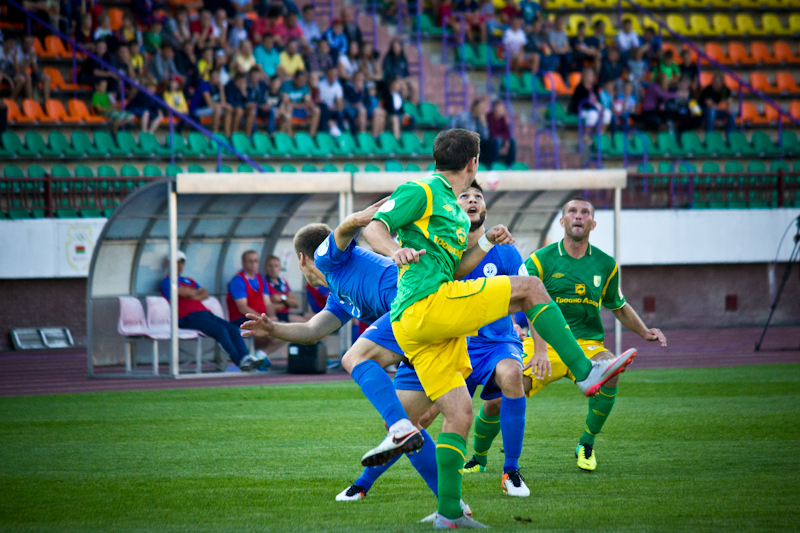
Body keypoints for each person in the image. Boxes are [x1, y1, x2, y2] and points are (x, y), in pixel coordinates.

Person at [361, 129, 637, 527]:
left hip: (424, 322)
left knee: (459, 414)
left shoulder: (453, 210)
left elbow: (456, 269)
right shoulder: (422, 190)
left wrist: (487, 244)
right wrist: (394, 250)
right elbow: (374, 227)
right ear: (473, 162)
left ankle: (449, 513)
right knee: (531, 288)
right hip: (425, 305)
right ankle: (585, 371)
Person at [240, 202, 461, 520]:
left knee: (354, 357)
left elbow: (344, 229)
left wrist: (363, 216)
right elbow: (313, 331)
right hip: (423, 328)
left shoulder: (327, 258)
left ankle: (396, 432)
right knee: (407, 423)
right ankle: (451, 508)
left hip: (413, 306)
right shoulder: (339, 294)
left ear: (302, 259)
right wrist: (273, 328)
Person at [335, 182, 531, 501]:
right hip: (450, 341)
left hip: (497, 343)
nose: (471, 200)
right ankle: (364, 484)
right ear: (452, 209)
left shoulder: (505, 250)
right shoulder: (445, 248)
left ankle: (510, 471)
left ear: (485, 208)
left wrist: (539, 346)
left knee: (511, 376)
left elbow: (529, 293)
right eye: (464, 196)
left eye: (478, 197)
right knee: (412, 421)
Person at [464, 198, 666, 473]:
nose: (578, 216)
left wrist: (644, 331)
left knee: (610, 371)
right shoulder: (541, 259)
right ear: (562, 221)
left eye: (585, 212)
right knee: (499, 397)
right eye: (572, 211)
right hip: (543, 344)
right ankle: (479, 457)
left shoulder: (606, 265)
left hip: (587, 345)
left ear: (593, 223)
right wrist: (519, 330)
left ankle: (586, 443)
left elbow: (618, 305)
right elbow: (517, 293)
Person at [162, 250, 262, 371]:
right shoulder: (167, 281)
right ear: (168, 263)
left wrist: (191, 294)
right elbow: (185, 292)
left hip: (205, 313)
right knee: (220, 330)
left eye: (181, 262)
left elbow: (204, 293)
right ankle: (239, 361)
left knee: (233, 329)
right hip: (187, 317)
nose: (179, 265)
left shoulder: (189, 280)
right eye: (176, 262)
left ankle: (246, 357)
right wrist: (193, 293)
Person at [226, 250, 281, 367]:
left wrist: (272, 317)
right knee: (269, 330)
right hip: (241, 319)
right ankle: (258, 358)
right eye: (250, 261)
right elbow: (242, 308)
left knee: (283, 329)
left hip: (259, 318)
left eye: (256, 261)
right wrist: (262, 319)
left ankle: (259, 356)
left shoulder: (260, 278)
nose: (253, 264)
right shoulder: (238, 280)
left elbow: (268, 303)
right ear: (243, 263)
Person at [450, 97, 499, 167]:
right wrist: (454, 137)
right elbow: (453, 123)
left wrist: (484, 124)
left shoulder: (480, 119)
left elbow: (485, 136)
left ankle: (490, 166)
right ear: (475, 107)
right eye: (481, 107)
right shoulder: (464, 116)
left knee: (493, 142)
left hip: (476, 142)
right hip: (464, 141)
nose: (482, 110)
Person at [190, 68, 233, 136]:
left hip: (209, 109)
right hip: (197, 110)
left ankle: (228, 135)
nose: (215, 78)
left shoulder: (218, 86)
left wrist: (221, 89)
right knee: (218, 109)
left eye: (217, 76)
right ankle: (214, 135)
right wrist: (224, 105)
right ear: (210, 76)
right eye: (214, 76)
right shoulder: (205, 85)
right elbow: (209, 103)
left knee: (227, 110)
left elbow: (223, 102)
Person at [279, 70, 320, 136]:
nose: (301, 82)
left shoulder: (304, 86)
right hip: (288, 110)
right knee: (289, 108)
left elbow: (308, 102)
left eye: (303, 80)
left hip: (300, 109)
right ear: (294, 78)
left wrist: (296, 105)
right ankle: (290, 135)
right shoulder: (286, 85)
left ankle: (312, 135)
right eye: (300, 80)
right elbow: (286, 101)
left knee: (316, 110)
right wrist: (301, 105)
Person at [264, 255, 301, 322]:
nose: (273, 269)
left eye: (276, 266)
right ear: (265, 267)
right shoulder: (263, 282)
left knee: (312, 317)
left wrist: (282, 298)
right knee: (305, 323)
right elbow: (268, 306)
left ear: (280, 267)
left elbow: (296, 304)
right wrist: (288, 303)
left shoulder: (284, 282)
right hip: (275, 316)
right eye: (270, 266)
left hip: (287, 314)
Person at [382, 38, 418, 104]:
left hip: (403, 79)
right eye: (395, 47)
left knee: (415, 85)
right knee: (404, 87)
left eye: (398, 47)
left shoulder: (403, 58)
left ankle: (413, 105)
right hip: (393, 80)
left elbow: (406, 72)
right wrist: (397, 78)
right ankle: (403, 105)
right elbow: (388, 72)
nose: (396, 49)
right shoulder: (388, 58)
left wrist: (407, 78)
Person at [700, 73, 735, 137]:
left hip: (718, 111)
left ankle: (730, 136)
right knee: (711, 111)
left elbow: (729, 101)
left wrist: (728, 108)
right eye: (714, 82)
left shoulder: (725, 90)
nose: (716, 84)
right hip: (704, 110)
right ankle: (710, 135)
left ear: (721, 83)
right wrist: (723, 108)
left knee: (732, 112)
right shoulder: (708, 89)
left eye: (718, 83)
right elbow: (710, 105)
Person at [486, 100, 516, 168]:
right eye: (498, 108)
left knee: (513, 141)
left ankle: (510, 164)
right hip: (490, 140)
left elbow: (507, 133)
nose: (500, 110)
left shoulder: (502, 119)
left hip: (500, 139)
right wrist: (502, 137)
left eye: (501, 109)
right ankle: (495, 163)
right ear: (494, 108)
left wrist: (504, 139)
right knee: (497, 141)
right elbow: (492, 133)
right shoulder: (489, 117)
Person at [318, 65, 346, 135]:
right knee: (323, 108)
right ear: (327, 74)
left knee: (340, 113)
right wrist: (329, 107)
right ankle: (325, 132)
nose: (333, 76)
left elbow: (339, 101)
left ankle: (341, 133)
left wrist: (336, 107)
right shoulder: (320, 84)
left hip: (333, 108)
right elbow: (319, 100)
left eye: (335, 74)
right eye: (332, 73)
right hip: (323, 107)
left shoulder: (338, 86)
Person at [547, 15, 572, 81]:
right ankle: (548, 78)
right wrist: (563, 50)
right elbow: (554, 48)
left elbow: (567, 46)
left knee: (568, 59)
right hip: (554, 54)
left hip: (562, 54)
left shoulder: (564, 33)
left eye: (561, 23)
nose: (559, 24)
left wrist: (562, 50)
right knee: (555, 60)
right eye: (558, 23)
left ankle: (564, 79)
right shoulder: (551, 33)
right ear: (555, 23)